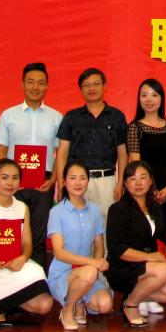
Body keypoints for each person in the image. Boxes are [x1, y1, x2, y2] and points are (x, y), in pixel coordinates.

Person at [0, 158, 53, 327]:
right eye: (4, 177)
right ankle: (0, 306)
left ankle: (9, 303)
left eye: (15, 178)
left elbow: (27, 243)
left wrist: (23, 258)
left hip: (13, 266)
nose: (10, 183)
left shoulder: (22, 207)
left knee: (45, 305)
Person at [0, 62, 63, 266]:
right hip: (13, 183)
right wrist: (5, 181)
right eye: (31, 82)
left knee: (38, 236)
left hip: (43, 183)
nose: (35, 87)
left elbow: (60, 152)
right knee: (11, 234)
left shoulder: (56, 117)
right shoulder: (8, 115)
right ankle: (10, 279)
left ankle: (37, 279)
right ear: (22, 84)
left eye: (40, 83)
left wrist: (53, 179)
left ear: (47, 86)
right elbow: (1, 151)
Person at [105, 161, 166, 328]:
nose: (138, 183)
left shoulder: (155, 206)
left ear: (150, 181)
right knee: (164, 270)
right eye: (132, 179)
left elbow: (160, 236)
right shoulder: (118, 209)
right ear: (125, 184)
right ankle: (131, 305)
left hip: (148, 265)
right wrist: (150, 257)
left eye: (143, 177)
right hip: (123, 267)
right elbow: (117, 249)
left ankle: (134, 296)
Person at [46, 162, 114, 331]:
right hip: (63, 272)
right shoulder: (57, 212)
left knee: (105, 305)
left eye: (82, 178)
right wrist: (92, 263)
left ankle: (79, 301)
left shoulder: (95, 210)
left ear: (88, 181)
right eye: (73, 178)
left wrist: (98, 262)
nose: (78, 183)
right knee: (89, 271)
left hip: (87, 273)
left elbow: (99, 246)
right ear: (64, 181)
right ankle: (68, 309)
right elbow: (59, 253)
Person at [54, 68, 128, 221]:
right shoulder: (71, 117)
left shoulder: (117, 116)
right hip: (76, 181)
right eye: (86, 85)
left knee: (107, 223)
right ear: (81, 89)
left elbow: (122, 154)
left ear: (104, 86)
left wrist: (120, 183)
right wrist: (61, 184)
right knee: (75, 223)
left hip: (106, 181)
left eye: (96, 84)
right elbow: (62, 154)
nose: (91, 88)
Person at [126, 78, 166, 216]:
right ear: (139, 99)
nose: (149, 100)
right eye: (144, 95)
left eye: (154, 95)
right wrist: (150, 189)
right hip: (143, 189)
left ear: (161, 98)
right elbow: (135, 163)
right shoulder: (134, 127)